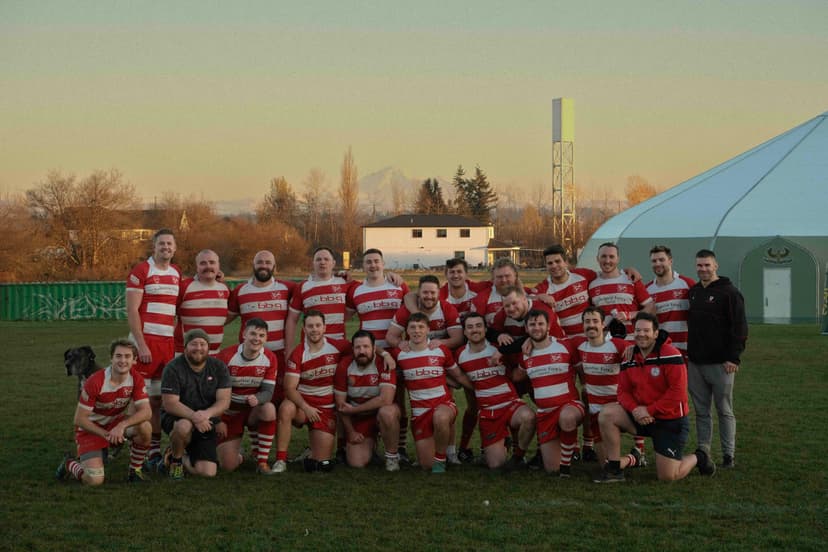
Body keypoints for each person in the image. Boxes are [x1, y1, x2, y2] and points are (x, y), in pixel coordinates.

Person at [595, 312, 716, 482]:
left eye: (646, 330)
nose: (641, 334)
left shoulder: (671, 354)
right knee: (607, 414)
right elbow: (623, 392)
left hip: (669, 420)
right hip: (641, 417)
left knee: (668, 476)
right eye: (638, 330)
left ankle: (700, 456)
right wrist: (636, 410)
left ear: (656, 333)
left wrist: (649, 410)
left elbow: (678, 393)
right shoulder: (629, 356)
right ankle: (614, 469)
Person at [588, 242, 654, 462]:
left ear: (618, 259)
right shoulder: (592, 284)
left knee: (635, 390)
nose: (607, 261)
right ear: (597, 259)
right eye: (603, 257)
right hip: (605, 345)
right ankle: (598, 441)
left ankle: (639, 450)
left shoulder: (631, 279)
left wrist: (630, 316)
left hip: (632, 345)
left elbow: (649, 307)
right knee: (606, 390)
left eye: (611, 257)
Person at [56, 338, 152, 485]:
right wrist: (107, 435)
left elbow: (146, 412)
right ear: (111, 359)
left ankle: (134, 471)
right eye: (118, 356)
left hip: (114, 424)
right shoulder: (96, 381)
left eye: (127, 356)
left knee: (145, 426)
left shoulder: (136, 378)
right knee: (94, 480)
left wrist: (121, 426)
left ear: (134, 361)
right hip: (90, 429)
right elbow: (79, 419)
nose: (122, 361)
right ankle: (70, 463)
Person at [391, 312, 474, 473]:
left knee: (440, 417)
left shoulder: (440, 350)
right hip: (420, 412)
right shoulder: (400, 354)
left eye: (421, 327)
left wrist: (477, 389)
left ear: (428, 329)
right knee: (425, 465)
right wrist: (385, 354)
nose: (417, 331)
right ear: (407, 330)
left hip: (443, 405)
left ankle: (441, 459)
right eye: (413, 327)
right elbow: (377, 352)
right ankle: (434, 457)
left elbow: (458, 376)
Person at [687, 249, 748, 469]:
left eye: (707, 265)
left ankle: (728, 455)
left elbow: (740, 327)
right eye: (699, 265)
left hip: (721, 363)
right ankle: (704, 451)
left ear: (716, 266)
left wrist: (734, 357)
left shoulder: (730, 293)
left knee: (724, 409)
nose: (703, 269)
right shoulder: (693, 292)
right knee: (701, 411)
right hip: (695, 363)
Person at [126, 228, 181, 467]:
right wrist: (141, 344)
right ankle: (134, 443)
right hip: (146, 343)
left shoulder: (176, 273)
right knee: (139, 400)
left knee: (158, 400)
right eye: (162, 244)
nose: (166, 248)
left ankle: (153, 450)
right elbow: (131, 311)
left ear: (175, 248)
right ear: (154, 246)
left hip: (166, 345)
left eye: (170, 244)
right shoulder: (141, 270)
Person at [274, 310, 352, 473]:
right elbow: (289, 388)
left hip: (326, 408)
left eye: (318, 325)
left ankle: (313, 452)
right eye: (310, 326)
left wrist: (384, 354)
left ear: (324, 328)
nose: (314, 329)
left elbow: (363, 348)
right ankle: (281, 460)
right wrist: (306, 407)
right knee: (286, 408)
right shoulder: (298, 353)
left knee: (321, 461)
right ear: (304, 329)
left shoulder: (338, 346)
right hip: (302, 406)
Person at [455, 313, 535, 469]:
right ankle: (503, 441)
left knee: (529, 418)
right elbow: (457, 377)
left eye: (479, 326)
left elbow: (521, 356)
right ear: (464, 332)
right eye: (470, 327)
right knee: (496, 465)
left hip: (510, 403)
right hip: (488, 412)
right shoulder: (460, 355)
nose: (475, 330)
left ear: (486, 329)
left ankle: (518, 457)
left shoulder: (499, 348)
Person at [514, 309, 583, 477]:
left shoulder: (565, 345)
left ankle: (567, 464)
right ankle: (568, 448)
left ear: (549, 326)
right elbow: (517, 376)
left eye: (540, 324)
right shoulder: (525, 355)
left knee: (567, 418)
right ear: (526, 328)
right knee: (552, 468)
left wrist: (588, 390)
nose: (536, 328)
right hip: (545, 414)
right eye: (532, 324)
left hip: (569, 406)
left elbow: (580, 369)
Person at [160, 328, 231, 480]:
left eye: (202, 344)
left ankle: (172, 455)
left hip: (206, 419)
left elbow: (224, 401)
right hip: (178, 416)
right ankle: (177, 463)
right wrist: (195, 417)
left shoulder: (219, 367)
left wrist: (206, 415)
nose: (198, 348)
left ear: (208, 347)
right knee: (183, 426)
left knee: (207, 472)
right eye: (193, 344)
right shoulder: (173, 368)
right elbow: (170, 403)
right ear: (185, 347)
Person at [227, 250, 295, 405]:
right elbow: (224, 317)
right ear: (253, 265)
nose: (263, 266)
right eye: (259, 262)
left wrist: (342, 277)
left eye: (268, 263)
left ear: (274, 267)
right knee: (250, 402)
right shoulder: (240, 291)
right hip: (248, 358)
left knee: (277, 401)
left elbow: (311, 291)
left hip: (278, 355)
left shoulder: (287, 288)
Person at [215, 318, 279, 475]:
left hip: (251, 410)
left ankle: (262, 462)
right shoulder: (225, 356)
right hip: (229, 412)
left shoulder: (270, 358)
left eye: (261, 335)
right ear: (244, 334)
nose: (257, 339)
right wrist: (218, 419)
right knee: (228, 466)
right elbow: (212, 393)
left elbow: (268, 392)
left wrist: (258, 399)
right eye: (253, 334)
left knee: (269, 409)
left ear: (266, 338)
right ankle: (240, 454)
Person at [568, 306, 629, 464]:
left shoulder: (619, 345)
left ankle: (635, 455)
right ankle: (631, 459)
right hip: (595, 410)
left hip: (618, 409)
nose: (591, 325)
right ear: (582, 325)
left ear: (603, 325)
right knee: (605, 465)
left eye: (595, 321)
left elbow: (642, 351)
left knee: (611, 464)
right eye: (587, 321)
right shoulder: (578, 344)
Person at [334, 330, 401, 470]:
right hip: (358, 418)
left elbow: (385, 399)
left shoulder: (384, 363)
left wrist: (354, 410)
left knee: (387, 412)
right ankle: (371, 443)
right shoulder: (344, 365)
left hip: (379, 413)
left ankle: (392, 457)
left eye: (366, 347)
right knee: (356, 463)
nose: (362, 351)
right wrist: (351, 431)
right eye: (358, 347)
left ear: (374, 348)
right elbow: (341, 405)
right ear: (352, 349)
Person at [284, 247, 354, 357]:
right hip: (311, 348)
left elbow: (367, 288)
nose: (322, 262)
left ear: (333, 263)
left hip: (338, 346)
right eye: (318, 259)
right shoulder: (303, 287)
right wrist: (289, 350)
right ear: (313, 263)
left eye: (326, 259)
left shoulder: (344, 282)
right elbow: (292, 320)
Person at [346, 248, 409, 350]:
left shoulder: (398, 285)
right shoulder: (355, 290)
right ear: (363, 266)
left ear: (383, 264)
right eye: (368, 262)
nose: (373, 265)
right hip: (369, 351)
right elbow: (343, 317)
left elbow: (414, 310)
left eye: (376, 261)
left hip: (395, 347)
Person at [174, 249, 230, 356]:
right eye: (203, 263)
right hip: (186, 354)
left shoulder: (224, 288)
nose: (208, 266)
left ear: (218, 266)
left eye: (212, 262)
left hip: (214, 355)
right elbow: (170, 316)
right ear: (197, 267)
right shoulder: (184, 287)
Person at [646, 245, 695, 355]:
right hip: (662, 348)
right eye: (654, 261)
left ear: (670, 261)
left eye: (661, 260)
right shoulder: (647, 290)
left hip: (687, 348)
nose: (657, 263)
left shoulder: (687, 284)